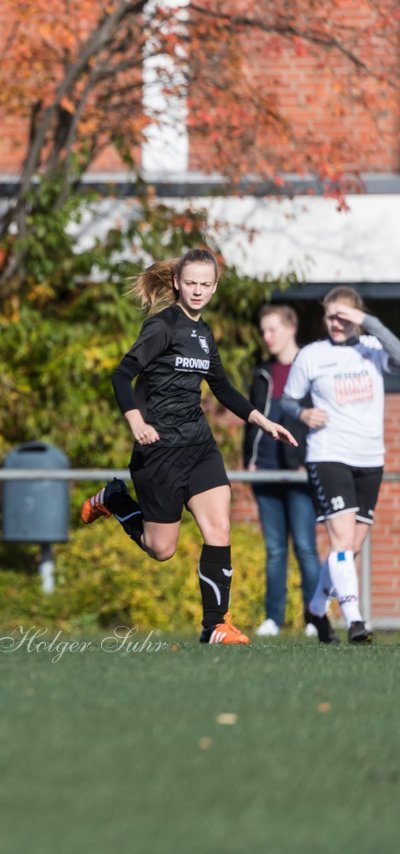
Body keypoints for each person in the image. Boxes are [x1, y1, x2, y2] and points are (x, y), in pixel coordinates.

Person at [79, 248, 297, 645]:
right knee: (160, 549)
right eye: (191, 283)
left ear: (214, 288)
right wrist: (136, 421)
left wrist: (263, 421)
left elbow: (222, 387)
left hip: (198, 446)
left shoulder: (203, 333)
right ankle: (116, 498)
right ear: (178, 283)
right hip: (158, 451)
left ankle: (215, 625)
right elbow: (121, 376)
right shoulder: (161, 327)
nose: (197, 291)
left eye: (205, 284)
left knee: (220, 526)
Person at [280, 287, 400, 645]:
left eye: (344, 316)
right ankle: (356, 621)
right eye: (330, 316)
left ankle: (316, 609)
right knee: (343, 540)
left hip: (369, 458)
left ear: (358, 318)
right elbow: (287, 401)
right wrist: (302, 413)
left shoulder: (372, 349)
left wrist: (369, 323)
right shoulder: (312, 355)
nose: (335, 323)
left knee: (351, 545)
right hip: (328, 454)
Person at [244, 304, 318, 637]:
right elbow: (251, 419)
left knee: (305, 546)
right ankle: (273, 618)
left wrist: (311, 457)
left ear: (291, 328)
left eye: (272, 329)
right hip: (266, 472)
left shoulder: (313, 367)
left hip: (301, 471)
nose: (267, 337)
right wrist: (250, 458)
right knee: (275, 549)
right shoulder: (262, 373)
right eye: (263, 331)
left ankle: (316, 618)